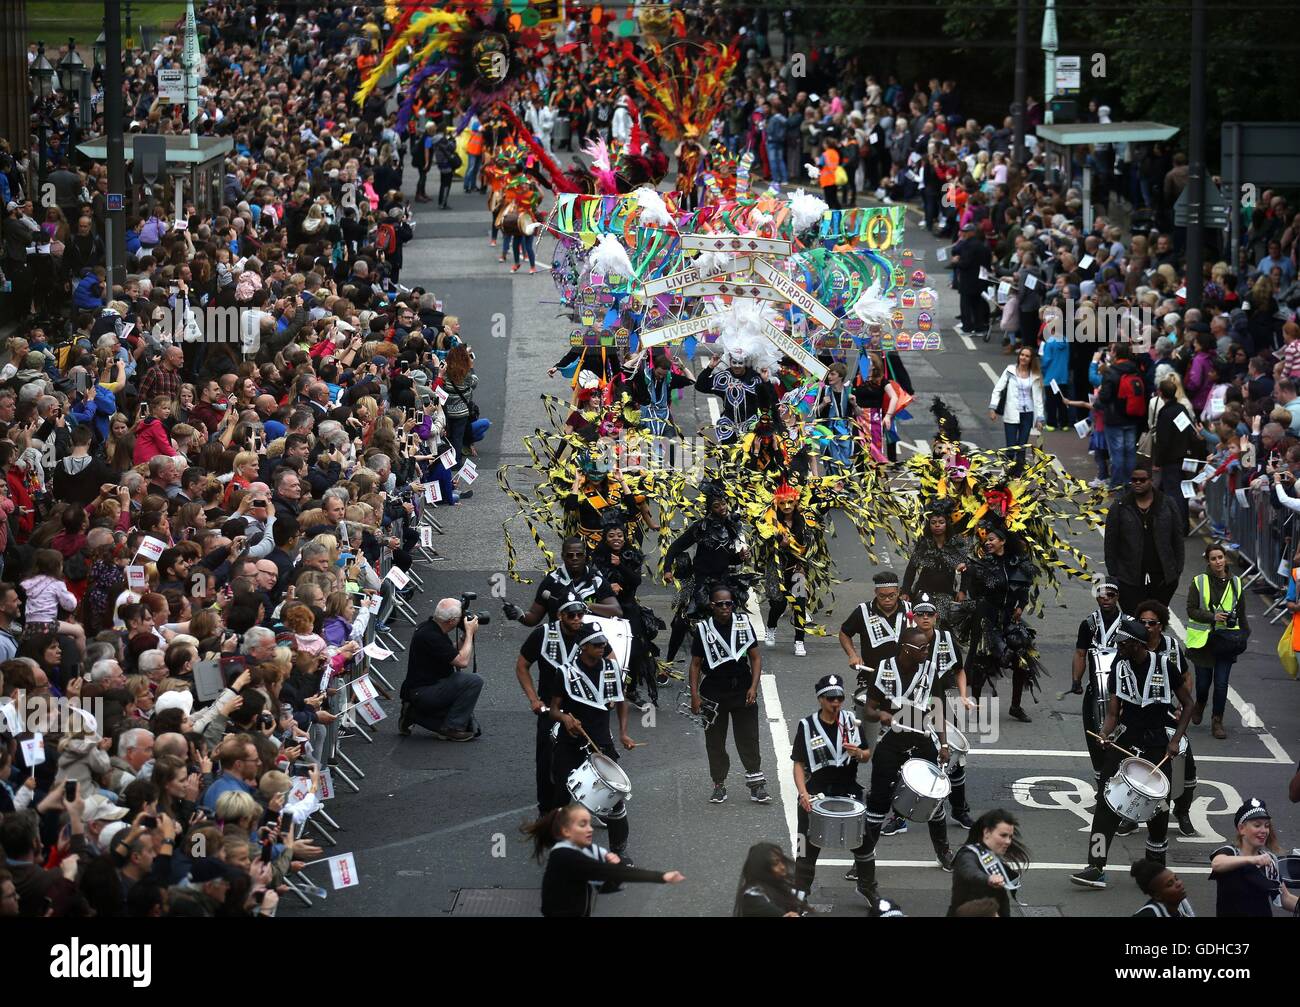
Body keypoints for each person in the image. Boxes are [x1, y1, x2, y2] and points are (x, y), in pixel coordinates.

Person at [1070, 617, 1193, 889]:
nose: (1118, 648)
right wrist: (1105, 733)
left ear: (1136, 644)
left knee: (1159, 810)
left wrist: (1176, 740)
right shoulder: (1119, 665)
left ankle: (1156, 872)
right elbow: (1114, 712)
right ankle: (1096, 866)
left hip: (1157, 746)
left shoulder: (1165, 666)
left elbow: (1188, 704)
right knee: (1106, 802)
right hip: (1126, 743)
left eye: (1122, 644)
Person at [855, 627, 955, 909]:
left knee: (933, 800)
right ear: (907, 649)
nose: (926, 652)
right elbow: (869, 708)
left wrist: (944, 745)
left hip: (922, 740)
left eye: (927, 648)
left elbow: (938, 709)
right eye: (922, 648)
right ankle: (863, 859)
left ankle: (944, 852)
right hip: (893, 741)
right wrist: (883, 714)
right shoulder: (885, 669)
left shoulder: (929, 670)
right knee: (878, 802)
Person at [547, 626, 636, 860]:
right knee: (561, 796)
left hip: (601, 743)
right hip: (570, 743)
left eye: (603, 643)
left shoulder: (612, 669)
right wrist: (565, 718)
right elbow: (553, 710)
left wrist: (624, 734)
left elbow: (620, 701)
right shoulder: (564, 673)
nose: (602, 647)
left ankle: (619, 852)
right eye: (597, 644)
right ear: (583, 646)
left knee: (615, 799)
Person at [790, 673, 871, 898]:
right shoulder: (806, 726)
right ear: (820, 700)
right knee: (805, 846)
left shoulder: (852, 722)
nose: (835, 703)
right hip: (815, 791)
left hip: (848, 790)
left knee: (864, 843)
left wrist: (858, 753)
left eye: (839, 699)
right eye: (830, 699)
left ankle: (867, 887)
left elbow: (866, 755)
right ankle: (801, 890)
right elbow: (798, 763)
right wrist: (803, 793)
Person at [523, 803, 683, 917]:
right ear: (566, 830)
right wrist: (661, 877)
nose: (590, 829)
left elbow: (605, 886)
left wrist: (616, 863)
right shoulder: (566, 856)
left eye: (589, 823)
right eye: (582, 824)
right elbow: (611, 873)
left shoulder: (584, 851)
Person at [688, 585, 769, 805]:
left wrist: (754, 686)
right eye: (720, 604)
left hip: (742, 690)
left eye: (729, 603)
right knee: (715, 742)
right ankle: (719, 785)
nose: (725, 607)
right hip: (713, 693)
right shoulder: (703, 630)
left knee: (749, 738)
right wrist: (695, 695)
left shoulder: (743, 624)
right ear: (711, 605)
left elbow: (755, 657)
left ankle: (756, 785)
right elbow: (695, 665)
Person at [516, 599, 592, 815]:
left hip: (584, 707)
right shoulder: (542, 634)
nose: (577, 619)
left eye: (580, 614)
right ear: (560, 616)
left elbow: (611, 659)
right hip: (551, 709)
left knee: (592, 759)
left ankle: (594, 806)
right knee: (548, 761)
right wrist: (533, 699)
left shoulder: (589, 634)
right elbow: (522, 666)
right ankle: (547, 810)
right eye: (571, 615)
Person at [662, 482, 750, 664]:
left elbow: (727, 559)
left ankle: (729, 662)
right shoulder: (700, 528)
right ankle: (668, 663)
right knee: (681, 623)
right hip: (699, 582)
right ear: (710, 509)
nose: (722, 508)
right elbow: (675, 547)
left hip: (723, 583)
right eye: (716, 506)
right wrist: (668, 569)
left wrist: (740, 557)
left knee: (728, 621)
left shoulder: (731, 527)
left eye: (723, 504)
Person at [964, 524, 1041, 723]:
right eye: (986, 540)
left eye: (992, 539)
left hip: (1008, 617)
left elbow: (1023, 587)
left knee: (1021, 659)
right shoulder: (982, 565)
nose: (987, 543)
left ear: (1003, 542)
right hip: (986, 616)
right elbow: (974, 591)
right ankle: (976, 706)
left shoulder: (1016, 563)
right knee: (982, 662)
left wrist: (1020, 606)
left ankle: (1015, 706)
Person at [1136, 600, 1199, 836]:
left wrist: (1183, 706)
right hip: (1139, 716)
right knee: (1136, 766)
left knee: (1186, 764)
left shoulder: (1172, 647)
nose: (1146, 626)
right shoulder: (1133, 645)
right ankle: (1131, 816)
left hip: (1167, 714)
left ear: (1161, 625)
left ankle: (1182, 811)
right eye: (1142, 622)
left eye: (1151, 623)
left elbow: (1185, 675)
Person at [911, 595, 974, 827]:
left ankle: (959, 809)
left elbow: (959, 670)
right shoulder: (905, 639)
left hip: (941, 703)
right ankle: (900, 815)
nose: (925, 618)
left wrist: (964, 696)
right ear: (913, 616)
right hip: (913, 704)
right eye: (920, 614)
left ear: (936, 617)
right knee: (908, 755)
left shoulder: (947, 638)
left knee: (955, 758)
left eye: (929, 614)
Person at [1184, 542, 1249, 741]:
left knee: (1221, 684)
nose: (1218, 561)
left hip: (1226, 642)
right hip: (1203, 642)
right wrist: (1212, 616)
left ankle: (1217, 720)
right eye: (1213, 559)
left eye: (1220, 557)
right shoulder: (1199, 581)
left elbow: (1242, 613)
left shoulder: (1237, 583)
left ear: (1226, 558)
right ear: (1208, 561)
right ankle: (1200, 704)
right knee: (1203, 684)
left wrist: (1244, 635)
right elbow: (1191, 609)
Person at [397, 597, 483, 742]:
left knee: (470, 725)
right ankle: (451, 728)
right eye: (460, 617)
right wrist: (469, 633)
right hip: (424, 692)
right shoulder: (431, 636)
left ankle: (413, 714)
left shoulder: (430, 627)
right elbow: (462, 661)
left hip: (424, 688)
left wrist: (463, 637)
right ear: (451, 622)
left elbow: (449, 653)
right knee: (474, 681)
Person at [1070, 582, 1126, 794]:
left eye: (1110, 595)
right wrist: (1076, 680)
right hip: (1095, 693)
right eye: (1102, 595)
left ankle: (1120, 783)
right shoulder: (1089, 624)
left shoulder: (1128, 624)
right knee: (1096, 740)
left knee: (1121, 739)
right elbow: (1080, 653)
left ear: (1117, 596)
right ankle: (1102, 783)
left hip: (1122, 693)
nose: (1106, 599)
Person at [1103, 468, 1185, 614]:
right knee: (1133, 623)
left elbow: (1177, 538)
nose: (1138, 483)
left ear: (1151, 481)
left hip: (1163, 579)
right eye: (1134, 480)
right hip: (1129, 579)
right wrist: (1114, 573)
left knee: (1155, 623)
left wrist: (1177, 570)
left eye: (1142, 480)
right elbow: (1110, 542)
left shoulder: (1167, 504)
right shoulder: (1120, 506)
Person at [503, 537, 622, 627]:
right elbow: (533, 618)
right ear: (563, 556)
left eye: (579, 555)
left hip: (590, 641)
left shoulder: (596, 580)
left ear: (585, 556)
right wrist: (519, 614)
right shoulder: (551, 582)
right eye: (570, 555)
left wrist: (586, 605)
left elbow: (616, 611)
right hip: (559, 638)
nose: (574, 558)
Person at [1210, 798, 1299, 916]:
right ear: (1242, 829)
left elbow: (1285, 898)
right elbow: (1217, 864)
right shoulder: (1230, 852)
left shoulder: (1269, 861)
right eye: (1257, 825)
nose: (1264, 831)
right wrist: (1252, 859)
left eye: (1266, 826)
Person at [948, 809, 1030, 918]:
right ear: (986, 832)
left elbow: (1002, 900)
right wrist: (988, 878)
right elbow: (969, 870)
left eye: (1010, 837)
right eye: (1003, 835)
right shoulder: (967, 856)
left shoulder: (990, 855)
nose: (1008, 841)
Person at [900, 501, 970, 626]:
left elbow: (966, 568)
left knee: (941, 624)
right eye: (933, 523)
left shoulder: (955, 544)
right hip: (924, 591)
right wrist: (905, 591)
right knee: (923, 623)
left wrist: (962, 590)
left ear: (947, 524)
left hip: (945, 592)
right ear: (929, 525)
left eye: (941, 522)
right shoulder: (924, 544)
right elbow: (911, 568)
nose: (937, 525)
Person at [1097, 342, 1147, 490]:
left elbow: (1105, 397)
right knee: (1130, 452)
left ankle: (1116, 484)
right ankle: (1129, 482)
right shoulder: (1135, 369)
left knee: (1117, 453)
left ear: (1115, 353)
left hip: (1114, 418)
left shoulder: (1111, 371)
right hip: (1132, 416)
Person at [988, 344, 1044, 457]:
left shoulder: (1035, 375)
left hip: (1027, 414)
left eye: (1027, 356)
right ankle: (1009, 472)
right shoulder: (1010, 370)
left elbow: (1038, 399)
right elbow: (998, 389)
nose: (1023, 357)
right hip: (1011, 413)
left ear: (1031, 359)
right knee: (1011, 448)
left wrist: (1040, 418)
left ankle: (1018, 473)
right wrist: (992, 408)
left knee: (1022, 448)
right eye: (1022, 355)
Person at [734, 842, 803, 917]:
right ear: (762, 869)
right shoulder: (754, 898)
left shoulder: (783, 887)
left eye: (782, 861)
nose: (782, 867)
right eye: (775, 863)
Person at [951, 221, 993, 340]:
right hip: (981, 280)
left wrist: (956, 262)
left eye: (965, 232)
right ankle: (979, 327)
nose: (963, 234)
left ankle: (967, 327)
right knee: (978, 305)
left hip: (968, 280)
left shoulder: (967, 246)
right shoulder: (983, 246)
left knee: (966, 305)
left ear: (971, 233)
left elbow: (965, 263)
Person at [1131, 859, 1195, 917]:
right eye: (1170, 884)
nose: (1179, 883)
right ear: (1157, 896)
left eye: (1176, 879)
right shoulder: (1149, 914)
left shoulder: (1182, 905)